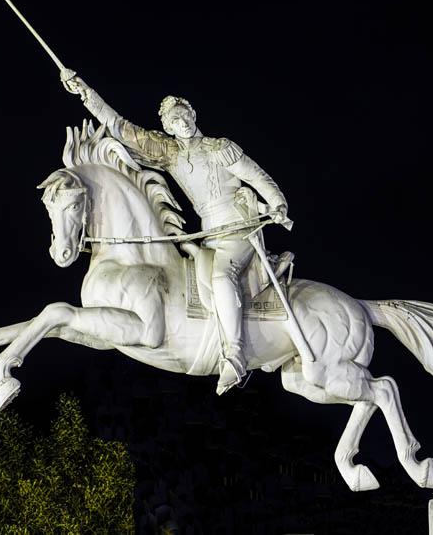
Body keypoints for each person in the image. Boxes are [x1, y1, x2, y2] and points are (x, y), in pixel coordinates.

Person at [62, 71, 289, 394]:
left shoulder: (220, 148)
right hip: (209, 235)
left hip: (239, 229)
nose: (180, 122)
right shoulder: (169, 153)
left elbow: (258, 177)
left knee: (223, 277)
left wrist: (277, 202)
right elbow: (121, 128)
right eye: (173, 120)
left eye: (183, 115)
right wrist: (86, 93)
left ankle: (234, 356)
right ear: (167, 127)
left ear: (193, 116)